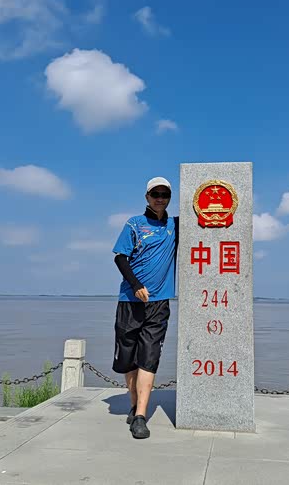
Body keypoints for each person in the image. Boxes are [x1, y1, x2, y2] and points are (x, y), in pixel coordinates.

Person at [111, 176, 178, 439]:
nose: (160, 199)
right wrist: (136, 284)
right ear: (147, 196)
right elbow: (120, 258)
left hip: (159, 303)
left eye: (165, 194)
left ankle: (140, 415)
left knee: (149, 358)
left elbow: (205, 220)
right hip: (130, 301)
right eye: (155, 194)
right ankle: (133, 403)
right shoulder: (134, 224)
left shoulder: (175, 226)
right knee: (128, 359)